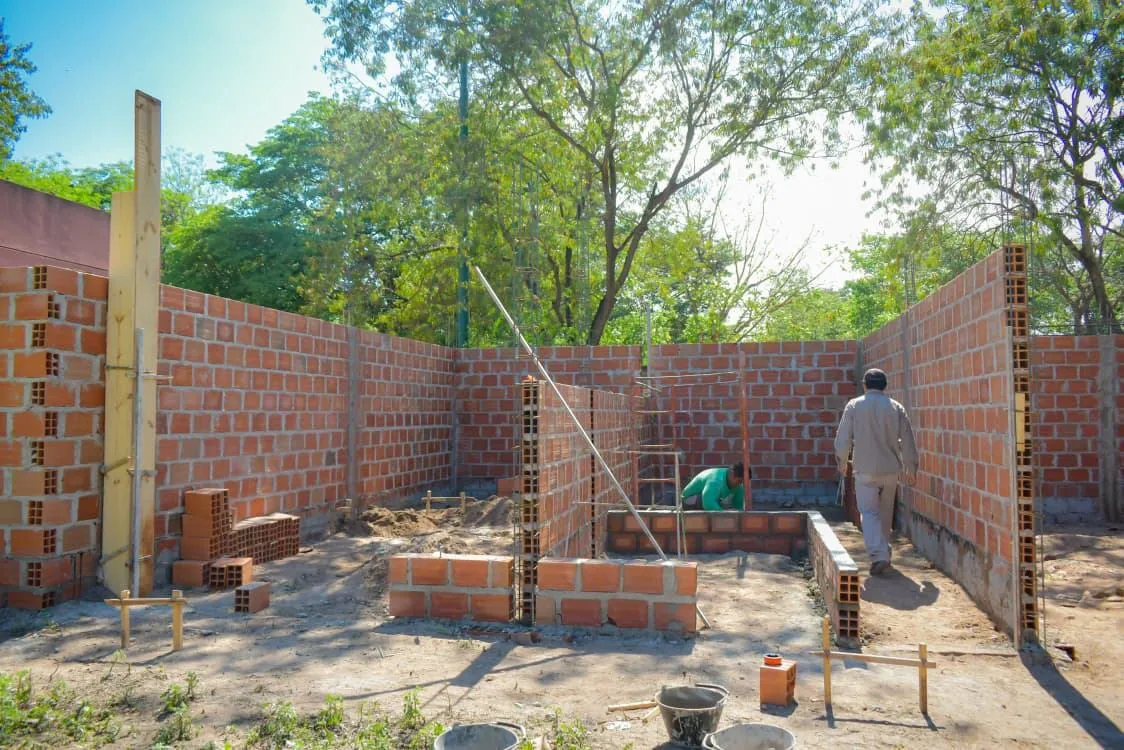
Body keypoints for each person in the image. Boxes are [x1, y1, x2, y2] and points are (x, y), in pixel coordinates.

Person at [834, 368, 919, 575]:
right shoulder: (895, 407)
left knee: (869, 512)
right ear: (885, 385)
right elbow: (908, 438)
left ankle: (879, 555)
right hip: (891, 470)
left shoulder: (854, 406)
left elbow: (843, 437)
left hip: (865, 469)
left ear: (865, 385)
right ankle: (883, 551)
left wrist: (842, 461)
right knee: (885, 512)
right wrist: (911, 466)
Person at [681, 462, 749, 511]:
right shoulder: (716, 479)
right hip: (688, 501)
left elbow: (739, 508)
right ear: (732, 474)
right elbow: (708, 503)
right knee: (714, 504)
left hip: (705, 500)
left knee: (722, 505)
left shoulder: (738, 486)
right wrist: (725, 514)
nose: (740, 484)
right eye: (739, 481)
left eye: (742, 482)